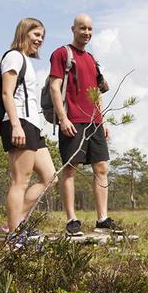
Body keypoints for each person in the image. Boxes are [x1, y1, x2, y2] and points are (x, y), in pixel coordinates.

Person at [48, 14, 123, 237]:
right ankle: (72, 220)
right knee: (70, 169)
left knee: (102, 168)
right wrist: (63, 118)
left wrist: (103, 120)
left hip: (94, 122)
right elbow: (54, 87)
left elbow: (97, 93)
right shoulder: (62, 53)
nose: (87, 33)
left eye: (90, 29)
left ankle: (102, 219)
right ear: (73, 29)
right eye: (82, 28)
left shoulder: (92, 58)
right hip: (73, 120)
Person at [1, 18, 56, 242]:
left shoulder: (25, 60)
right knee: (20, 181)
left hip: (32, 125)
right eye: (36, 34)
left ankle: (15, 221)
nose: (40, 39)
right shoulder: (13, 56)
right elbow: (7, 93)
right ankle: (15, 235)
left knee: (50, 176)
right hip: (19, 122)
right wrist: (15, 124)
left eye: (42, 36)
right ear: (24, 33)